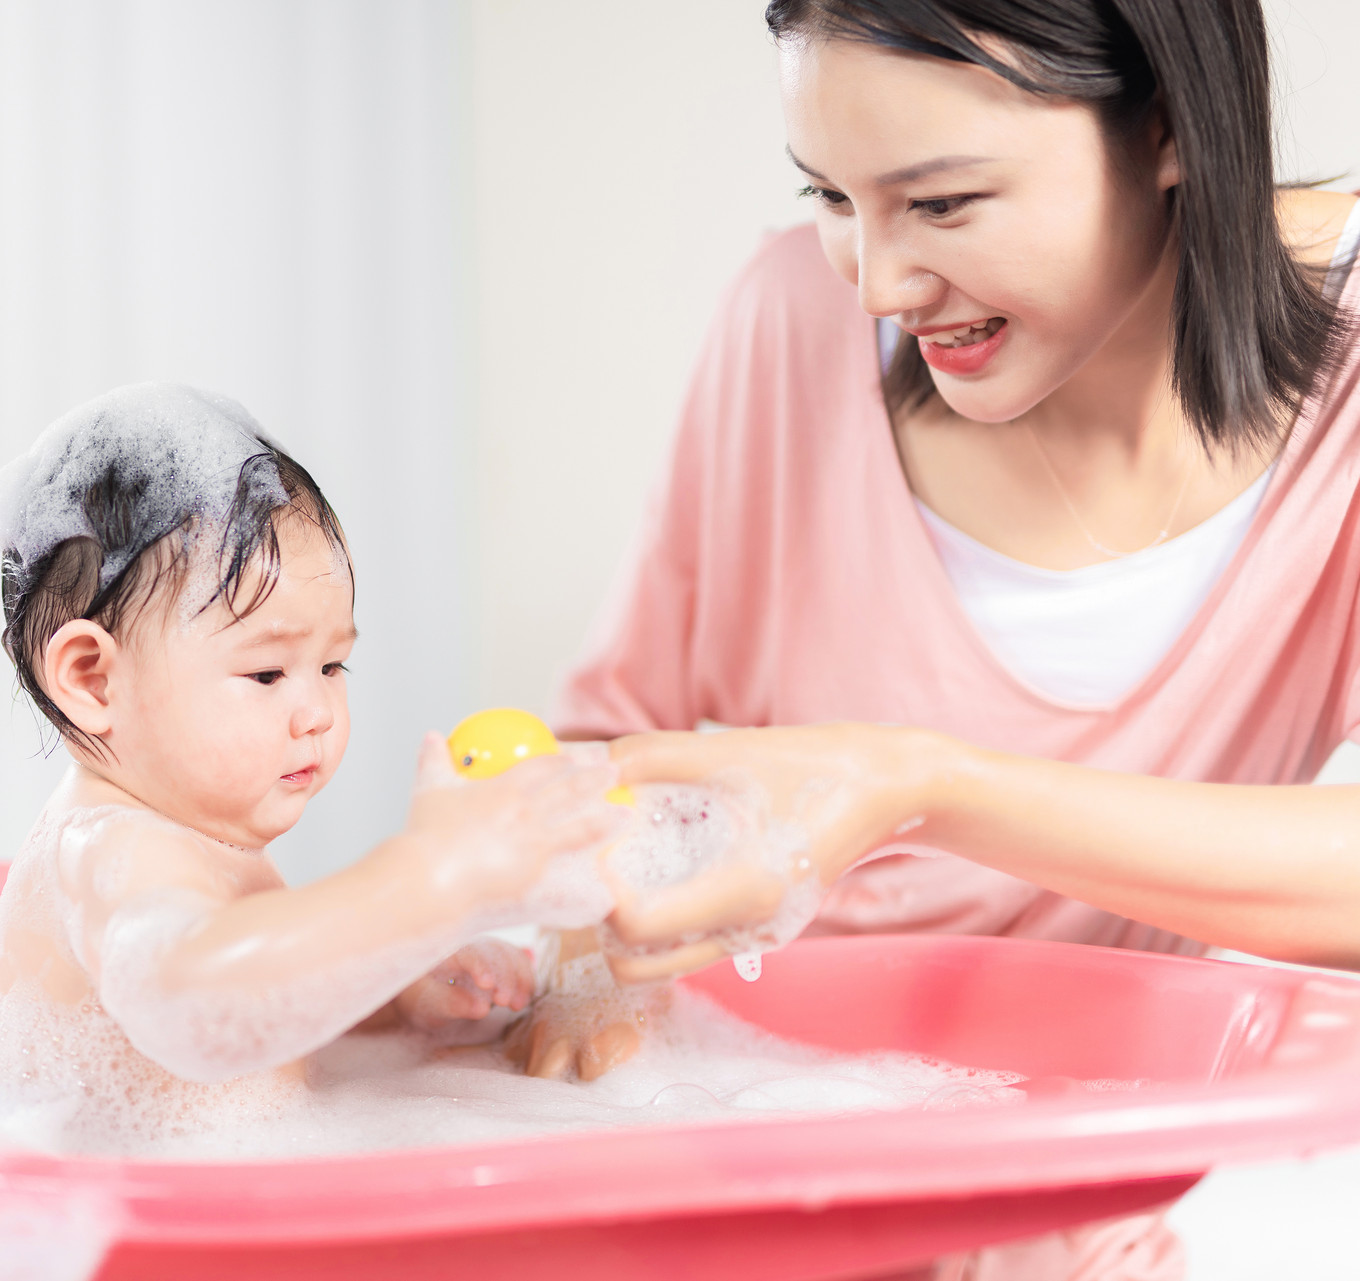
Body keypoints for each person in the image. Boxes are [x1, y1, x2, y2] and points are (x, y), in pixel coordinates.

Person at [527, 1, 1360, 1275]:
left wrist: (921, 785)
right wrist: (578, 964)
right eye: (828, 196)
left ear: (1168, 126)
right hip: (759, 1154)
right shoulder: (791, 324)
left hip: (1071, 1196)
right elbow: (601, 756)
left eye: (945, 203)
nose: (874, 280)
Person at [0, 383, 627, 1143]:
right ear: (91, 678)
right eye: (269, 674)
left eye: (334, 665)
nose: (317, 713)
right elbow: (196, 1002)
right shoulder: (107, 849)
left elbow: (262, 991)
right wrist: (434, 879)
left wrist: (396, 986)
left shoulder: (196, 841)